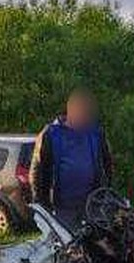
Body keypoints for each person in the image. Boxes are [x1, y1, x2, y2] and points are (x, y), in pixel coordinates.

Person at [30, 87, 113, 229]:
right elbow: (37, 172)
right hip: (61, 208)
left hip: (92, 205)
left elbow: (107, 164)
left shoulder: (96, 133)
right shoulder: (51, 134)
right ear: (71, 110)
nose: (86, 118)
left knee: (97, 244)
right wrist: (42, 207)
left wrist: (105, 193)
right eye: (82, 113)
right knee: (68, 247)